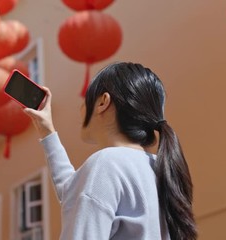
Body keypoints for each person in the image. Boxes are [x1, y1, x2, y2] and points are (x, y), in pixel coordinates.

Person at [24, 62, 197, 240]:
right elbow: (74, 193)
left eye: (85, 100)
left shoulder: (106, 163)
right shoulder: (158, 168)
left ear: (103, 102)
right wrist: (47, 130)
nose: (82, 108)